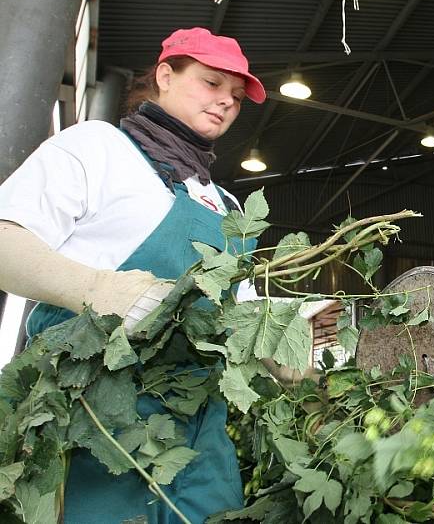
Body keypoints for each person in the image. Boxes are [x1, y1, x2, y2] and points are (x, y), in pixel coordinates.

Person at [0, 27, 266, 523]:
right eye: (212, 84)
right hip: (91, 419)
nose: (226, 103)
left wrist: (286, 345)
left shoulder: (228, 205)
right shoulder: (100, 147)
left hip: (198, 435)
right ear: (165, 76)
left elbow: (240, 316)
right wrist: (98, 288)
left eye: (235, 96)